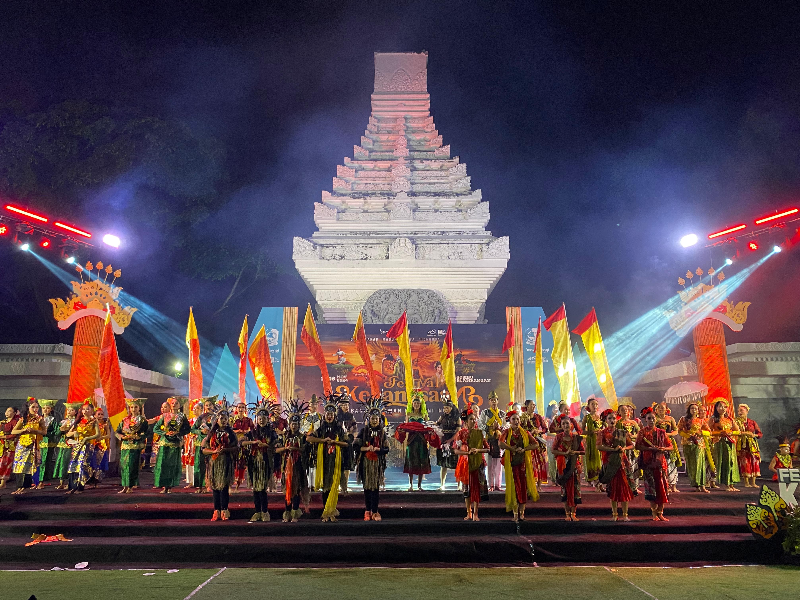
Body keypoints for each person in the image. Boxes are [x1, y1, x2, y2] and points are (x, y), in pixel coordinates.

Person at [306, 396, 349, 522]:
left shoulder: (340, 429)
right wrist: (322, 440)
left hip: (335, 461)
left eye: (331, 414)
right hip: (323, 461)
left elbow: (346, 443)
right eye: (327, 414)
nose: (329, 416)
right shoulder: (321, 429)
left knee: (333, 486)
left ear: (334, 416)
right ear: (324, 415)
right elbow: (309, 439)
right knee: (325, 486)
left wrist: (336, 443)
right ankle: (326, 511)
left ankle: (331, 511)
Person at [354, 397, 390, 521]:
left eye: (376, 419)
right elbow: (355, 446)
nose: (374, 420)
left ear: (379, 419)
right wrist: (366, 448)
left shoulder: (382, 433)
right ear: (369, 419)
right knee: (367, 488)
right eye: (372, 418)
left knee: (375, 488)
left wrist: (378, 449)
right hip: (365, 463)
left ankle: (375, 511)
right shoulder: (363, 431)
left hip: (377, 464)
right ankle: (367, 511)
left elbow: (386, 449)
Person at [499, 410, 539, 522]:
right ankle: (515, 514)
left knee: (523, 488)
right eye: (513, 419)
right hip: (511, 464)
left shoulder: (525, 433)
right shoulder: (506, 432)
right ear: (509, 421)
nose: (516, 421)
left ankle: (522, 513)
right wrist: (512, 449)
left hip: (523, 464)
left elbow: (535, 444)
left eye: (517, 419)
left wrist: (524, 449)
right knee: (514, 488)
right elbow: (500, 443)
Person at [597, 409, 635, 521]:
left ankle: (625, 515)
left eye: (614, 418)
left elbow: (631, 445)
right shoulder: (602, 433)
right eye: (610, 418)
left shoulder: (622, 432)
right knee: (613, 488)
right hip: (610, 463)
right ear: (605, 420)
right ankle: (614, 514)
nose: (612, 420)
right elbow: (598, 446)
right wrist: (612, 449)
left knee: (624, 488)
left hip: (622, 463)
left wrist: (623, 448)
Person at [202, 404, 239, 521]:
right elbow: (203, 449)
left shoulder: (231, 433)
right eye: (221, 418)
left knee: (224, 487)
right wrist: (214, 450)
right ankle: (216, 510)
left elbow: (236, 447)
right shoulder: (211, 433)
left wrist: (226, 450)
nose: (223, 420)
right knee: (215, 487)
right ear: (216, 419)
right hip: (214, 463)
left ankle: (224, 510)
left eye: (225, 419)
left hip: (226, 462)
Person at [276, 400, 311, 522]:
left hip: (298, 466)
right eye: (292, 423)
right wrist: (285, 448)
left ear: (299, 424)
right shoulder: (284, 436)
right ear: (289, 424)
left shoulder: (302, 437)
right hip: (286, 467)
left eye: (296, 423)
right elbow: (276, 450)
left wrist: (296, 448)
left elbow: (306, 450)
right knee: (287, 489)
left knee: (296, 489)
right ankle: (287, 513)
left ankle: (295, 512)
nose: (294, 425)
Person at [242, 403, 278, 522]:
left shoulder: (271, 432)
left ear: (268, 419)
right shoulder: (251, 433)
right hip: (254, 463)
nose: (261, 420)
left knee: (262, 489)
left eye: (264, 418)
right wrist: (252, 443)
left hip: (265, 462)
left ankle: (264, 511)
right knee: (255, 489)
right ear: (256, 419)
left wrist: (266, 445)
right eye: (259, 418)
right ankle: (257, 512)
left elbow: (276, 446)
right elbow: (241, 443)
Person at [636, 408, 672, 521]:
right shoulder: (642, 432)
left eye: (653, 418)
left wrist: (663, 448)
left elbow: (670, 446)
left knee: (662, 487)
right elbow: (637, 446)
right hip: (648, 463)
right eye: (649, 418)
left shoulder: (662, 432)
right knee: (651, 488)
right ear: (645, 420)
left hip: (661, 463)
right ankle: (653, 513)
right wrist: (649, 448)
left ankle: (660, 512)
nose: (651, 420)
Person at [454, 407, 489, 521]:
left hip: (477, 462)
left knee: (476, 488)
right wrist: (466, 452)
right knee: (467, 490)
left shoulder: (479, 433)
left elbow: (488, 449)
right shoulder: (461, 433)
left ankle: (476, 513)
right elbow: (456, 450)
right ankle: (468, 512)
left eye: (475, 419)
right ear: (466, 421)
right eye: (471, 419)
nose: (474, 421)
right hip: (465, 463)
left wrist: (478, 450)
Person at [153, 398, 191, 493]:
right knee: (163, 465)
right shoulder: (165, 416)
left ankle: (170, 486)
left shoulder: (182, 416)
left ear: (179, 405)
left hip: (175, 443)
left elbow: (187, 429)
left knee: (172, 465)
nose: (174, 405)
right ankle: (164, 486)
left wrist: (178, 433)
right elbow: (155, 428)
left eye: (176, 403)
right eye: (172, 403)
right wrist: (165, 433)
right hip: (164, 443)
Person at [11, 397, 47, 494]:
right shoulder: (23, 419)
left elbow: (44, 432)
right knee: (19, 466)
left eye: (37, 407)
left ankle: (25, 487)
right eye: (33, 407)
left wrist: (35, 431)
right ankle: (19, 487)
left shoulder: (40, 419)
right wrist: (23, 430)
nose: (35, 409)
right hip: (22, 444)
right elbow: (13, 431)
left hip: (32, 445)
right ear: (28, 408)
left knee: (28, 467)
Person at [553, 415, 585, 521]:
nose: (566, 425)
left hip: (574, 467)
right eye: (563, 424)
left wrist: (574, 452)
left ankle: (573, 513)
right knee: (565, 490)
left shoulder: (575, 437)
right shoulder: (559, 437)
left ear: (571, 425)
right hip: (563, 467)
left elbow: (583, 451)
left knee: (575, 490)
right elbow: (553, 450)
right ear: (561, 426)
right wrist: (564, 453)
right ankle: (567, 514)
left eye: (567, 423)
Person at [65, 400, 101, 494]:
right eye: (83, 409)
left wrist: (87, 438)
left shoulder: (94, 421)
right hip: (77, 446)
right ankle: (72, 487)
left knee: (82, 465)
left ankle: (80, 487)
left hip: (87, 446)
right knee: (73, 465)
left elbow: (98, 434)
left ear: (92, 410)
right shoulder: (78, 421)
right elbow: (68, 434)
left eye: (87, 409)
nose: (85, 411)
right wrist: (73, 433)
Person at [677, 401, 712, 492]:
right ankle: (696, 484)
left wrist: (700, 433)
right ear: (689, 410)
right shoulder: (683, 419)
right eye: (692, 408)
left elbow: (709, 432)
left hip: (699, 444)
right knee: (691, 465)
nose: (694, 410)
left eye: (696, 409)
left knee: (699, 464)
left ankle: (702, 485)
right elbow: (679, 430)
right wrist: (688, 436)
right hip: (687, 444)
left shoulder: (701, 420)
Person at [400, 391, 432, 491]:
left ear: (421, 404)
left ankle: (419, 485)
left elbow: (427, 427)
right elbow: (406, 426)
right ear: (412, 404)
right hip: (411, 441)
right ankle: (410, 485)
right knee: (411, 461)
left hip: (421, 441)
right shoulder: (408, 414)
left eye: (418, 403)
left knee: (421, 461)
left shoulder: (424, 415)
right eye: (415, 403)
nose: (417, 405)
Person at [115, 398, 149, 493]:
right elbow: (117, 432)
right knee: (124, 466)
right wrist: (122, 437)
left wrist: (139, 437)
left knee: (132, 466)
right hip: (125, 445)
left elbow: (147, 432)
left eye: (136, 407)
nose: (133, 409)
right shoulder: (125, 420)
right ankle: (125, 486)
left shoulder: (142, 420)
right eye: (132, 407)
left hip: (135, 446)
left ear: (139, 408)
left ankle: (130, 486)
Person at [707, 399, 741, 492]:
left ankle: (732, 484)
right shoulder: (713, 419)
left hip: (730, 442)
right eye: (720, 406)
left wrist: (730, 433)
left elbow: (738, 431)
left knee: (732, 462)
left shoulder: (730, 419)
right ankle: (726, 484)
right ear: (716, 408)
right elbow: (708, 432)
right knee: (724, 463)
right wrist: (719, 433)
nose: (723, 408)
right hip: (720, 443)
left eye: (725, 406)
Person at [654, 401, 682, 493]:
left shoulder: (670, 419)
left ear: (666, 409)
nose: (661, 409)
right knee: (661, 463)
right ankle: (665, 485)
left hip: (669, 442)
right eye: (659, 408)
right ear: (656, 410)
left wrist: (668, 434)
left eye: (663, 408)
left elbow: (676, 430)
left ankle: (673, 485)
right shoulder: (654, 419)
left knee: (672, 463)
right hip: (658, 442)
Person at [191, 397, 218, 493]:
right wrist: (201, 431)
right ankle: (200, 486)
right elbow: (193, 429)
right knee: (200, 465)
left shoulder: (217, 417)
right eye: (206, 405)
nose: (208, 407)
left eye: (210, 405)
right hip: (201, 443)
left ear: (213, 406)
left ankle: (211, 485)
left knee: (213, 465)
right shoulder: (201, 417)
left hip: (213, 444)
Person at [435, 394, 461, 491]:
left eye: (447, 408)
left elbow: (458, 431)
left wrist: (451, 440)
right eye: (444, 408)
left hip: (454, 441)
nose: (445, 410)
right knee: (443, 463)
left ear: (451, 408)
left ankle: (459, 485)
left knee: (457, 463)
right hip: (444, 440)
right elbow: (436, 425)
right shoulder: (442, 417)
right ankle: (442, 484)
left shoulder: (457, 418)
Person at [521, 400, 549, 489]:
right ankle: (530, 484)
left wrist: (539, 431)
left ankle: (539, 485)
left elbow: (545, 428)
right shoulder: (523, 417)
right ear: (527, 406)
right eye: (531, 405)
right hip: (528, 441)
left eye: (534, 405)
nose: (533, 406)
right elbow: (520, 429)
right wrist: (530, 432)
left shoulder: (538, 417)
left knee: (539, 462)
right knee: (530, 462)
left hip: (538, 441)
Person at [735, 404, 762, 488]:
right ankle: (746, 482)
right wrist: (745, 433)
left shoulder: (752, 422)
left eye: (741, 411)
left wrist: (755, 436)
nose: (740, 412)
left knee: (754, 462)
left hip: (752, 445)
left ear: (747, 411)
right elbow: (736, 432)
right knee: (745, 463)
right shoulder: (736, 421)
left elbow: (759, 433)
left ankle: (753, 482)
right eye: (739, 411)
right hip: (742, 444)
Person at [616, 398, 641, 491]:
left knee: (634, 465)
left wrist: (632, 436)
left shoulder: (633, 422)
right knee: (625, 466)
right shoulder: (618, 423)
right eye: (622, 410)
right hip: (624, 446)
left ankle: (635, 486)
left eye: (626, 410)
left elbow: (640, 433)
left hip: (633, 446)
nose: (625, 411)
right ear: (619, 412)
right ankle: (626, 485)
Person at [54, 403, 80, 490]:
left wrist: (70, 432)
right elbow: (57, 434)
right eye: (68, 410)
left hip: (72, 444)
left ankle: (70, 482)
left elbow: (77, 434)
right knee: (61, 462)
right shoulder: (63, 421)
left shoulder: (77, 423)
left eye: (72, 410)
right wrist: (61, 429)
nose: (69, 411)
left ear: (76, 412)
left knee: (68, 463)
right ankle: (61, 482)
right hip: (62, 444)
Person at [231, 400, 254, 491]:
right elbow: (228, 429)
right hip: (234, 444)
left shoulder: (249, 420)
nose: (241, 409)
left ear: (245, 409)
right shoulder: (232, 419)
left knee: (242, 464)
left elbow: (253, 431)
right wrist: (237, 431)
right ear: (236, 409)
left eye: (242, 407)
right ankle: (231, 483)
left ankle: (238, 484)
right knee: (233, 463)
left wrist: (245, 433)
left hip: (245, 445)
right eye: (239, 407)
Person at [35, 399, 59, 489]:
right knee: (36, 461)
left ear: (51, 409)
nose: (45, 410)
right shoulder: (37, 418)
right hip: (38, 442)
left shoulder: (53, 420)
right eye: (43, 408)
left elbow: (56, 431)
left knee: (44, 462)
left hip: (48, 442)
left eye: (47, 408)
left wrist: (46, 433)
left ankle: (42, 481)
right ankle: (36, 480)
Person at [336, 394, 357, 494]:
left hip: (348, 443)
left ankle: (345, 485)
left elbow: (355, 429)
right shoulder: (336, 416)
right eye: (344, 405)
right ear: (340, 406)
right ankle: (337, 485)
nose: (346, 407)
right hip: (337, 443)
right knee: (337, 464)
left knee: (347, 465)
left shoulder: (350, 416)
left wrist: (349, 437)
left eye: (347, 405)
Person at [301, 394, 322, 491]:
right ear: (309, 405)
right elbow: (300, 429)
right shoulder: (304, 417)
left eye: (315, 404)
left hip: (317, 443)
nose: (313, 406)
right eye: (312, 404)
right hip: (306, 442)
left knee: (315, 463)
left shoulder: (320, 417)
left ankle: (315, 484)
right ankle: (307, 484)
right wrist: (306, 433)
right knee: (307, 463)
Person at [581, 398, 602, 487]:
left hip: (599, 440)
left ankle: (599, 479)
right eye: (592, 404)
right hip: (591, 440)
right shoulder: (587, 417)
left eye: (596, 404)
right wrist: (591, 432)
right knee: (592, 459)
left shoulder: (600, 417)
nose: (594, 406)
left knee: (600, 459)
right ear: (588, 406)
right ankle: (593, 479)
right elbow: (581, 431)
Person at [182, 400, 203, 488]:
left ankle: (198, 481)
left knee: (197, 462)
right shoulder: (190, 421)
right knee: (189, 462)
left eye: (197, 408)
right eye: (194, 408)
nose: (195, 410)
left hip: (198, 442)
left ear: (202, 409)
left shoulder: (203, 421)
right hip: (189, 443)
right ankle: (190, 481)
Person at [0, 406, 21, 488]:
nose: (7, 412)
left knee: (7, 463)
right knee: (1, 463)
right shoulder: (2, 422)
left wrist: (4, 437)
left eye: (9, 411)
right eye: (7, 410)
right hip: (2, 445)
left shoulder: (15, 422)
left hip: (10, 445)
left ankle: (3, 482)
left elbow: (14, 434)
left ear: (14, 413)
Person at [485, 418, 503, 491]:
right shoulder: (488, 434)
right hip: (490, 453)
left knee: (498, 469)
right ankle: (491, 485)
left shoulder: (499, 433)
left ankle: (497, 485)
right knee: (490, 469)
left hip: (498, 452)